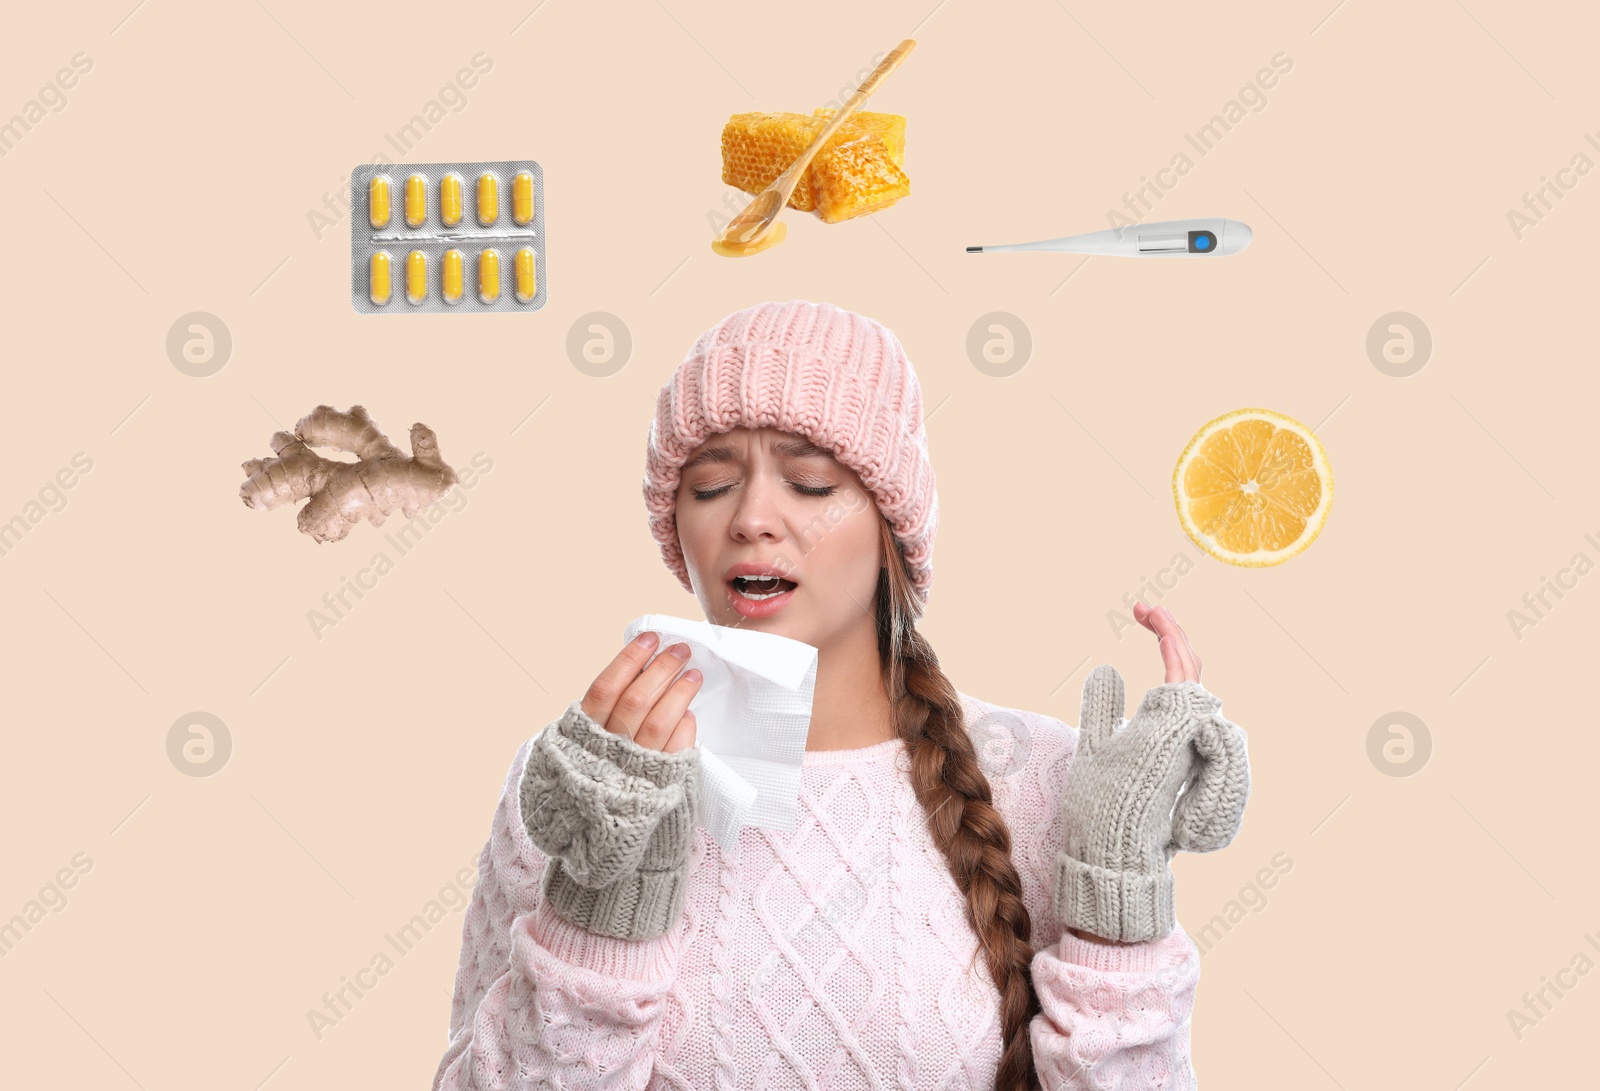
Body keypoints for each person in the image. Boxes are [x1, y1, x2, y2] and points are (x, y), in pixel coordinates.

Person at [432, 299, 1252, 1090]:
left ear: (892, 524)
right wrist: (597, 918)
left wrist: (1118, 899)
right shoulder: (586, 780)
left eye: (813, 484)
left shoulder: (1043, 780)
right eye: (711, 484)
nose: (752, 516)